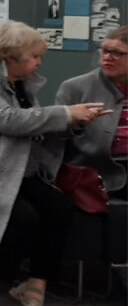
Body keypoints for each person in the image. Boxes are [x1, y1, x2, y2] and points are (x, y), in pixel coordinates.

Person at [0, 20, 107, 306]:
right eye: (35, 57)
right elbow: (11, 121)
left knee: (60, 208)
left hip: (17, 171)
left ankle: (35, 283)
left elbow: (34, 126)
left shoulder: (21, 85)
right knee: (23, 219)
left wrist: (76, 122)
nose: (39, 63)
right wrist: (67, 113)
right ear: (10, 57)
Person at [51, 25, 127, 200]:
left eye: (117, 53)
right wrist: (75, 122)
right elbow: (56, 138)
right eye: (105, 51)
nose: (107, 58)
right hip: (96, 171)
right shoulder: (75, 88)